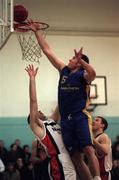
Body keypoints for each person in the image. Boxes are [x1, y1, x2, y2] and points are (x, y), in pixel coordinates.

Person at [27, 20, 100, 180]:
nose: (71, 59)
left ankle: (97, 178)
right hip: (65, 121)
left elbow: (93, 73)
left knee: (88, 149)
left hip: (80, 117)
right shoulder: (64, 70)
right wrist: (37, 32)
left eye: (74, 58)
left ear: (80, 64)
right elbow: (47, 50)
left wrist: (82, 61)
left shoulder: (84, 75)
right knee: (75, 156)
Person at [25, 64, 76, 180]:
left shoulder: (50, 121)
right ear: (33, 118)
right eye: (38, 111)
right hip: (59, 161)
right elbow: (33, 101)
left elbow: (60, 103)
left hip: (69, 158)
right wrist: (32, 78)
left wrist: (66, 84)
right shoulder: (38, 127)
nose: (40, 110)